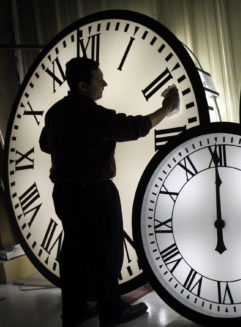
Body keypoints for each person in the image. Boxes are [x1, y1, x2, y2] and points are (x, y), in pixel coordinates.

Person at [39, 57, 179, 327]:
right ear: (82, 85)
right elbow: (134, 127)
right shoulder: (92, 114)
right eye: (98, 79)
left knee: (74, 251)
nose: (105, 83)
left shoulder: (55, 113)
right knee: (107, 251)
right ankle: (111, 310)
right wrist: (167, 107)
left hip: (65, 193)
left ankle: (75, 309)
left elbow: (47, 144)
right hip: (95, 193)